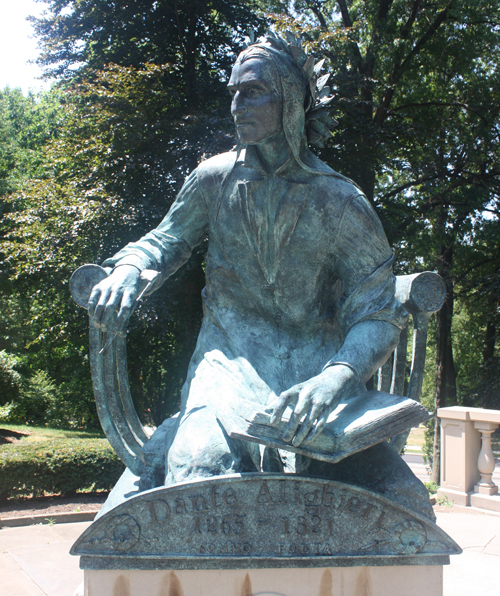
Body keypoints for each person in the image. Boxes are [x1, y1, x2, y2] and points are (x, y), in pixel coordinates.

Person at [89, 33, 434, 520]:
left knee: (399, 506)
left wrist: (337, 378)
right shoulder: (213, 178)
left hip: (317, 375)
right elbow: (166, 240)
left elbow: (377, 312)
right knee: (199, 475)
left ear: (290, 102)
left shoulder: (341, 201)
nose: (236, 105)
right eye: (233, 92)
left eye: (252, 92)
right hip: (227, 363)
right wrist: (128, 268)